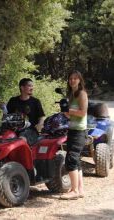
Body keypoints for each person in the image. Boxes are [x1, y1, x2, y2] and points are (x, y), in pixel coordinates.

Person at [60, 70, 88, 200]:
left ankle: (74, 190)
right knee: (76, 161)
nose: (72, 81)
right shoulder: (71, 95)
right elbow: (70, 114)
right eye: (70, 78)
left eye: (75, 78)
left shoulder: (82, 94)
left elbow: (82, 113)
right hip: (71, 130)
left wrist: (68, 110)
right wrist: (65, 112)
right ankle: (80, 190)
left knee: (71, 159)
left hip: (79, 132)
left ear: (79, 80)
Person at [6, 78, 45, 145]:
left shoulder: (35, 102)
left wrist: (40, 124)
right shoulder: (13, 100)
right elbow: (7, 116)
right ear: (22, 87)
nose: (32, 88)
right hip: (14, 130)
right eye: (29, 86)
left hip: (30, 130)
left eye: (32, 86)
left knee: (21, 139)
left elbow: (41, 116)